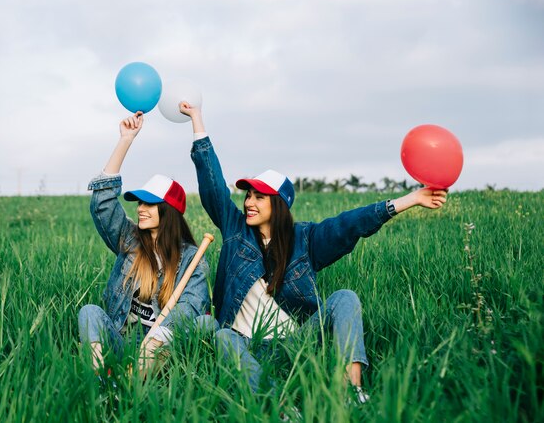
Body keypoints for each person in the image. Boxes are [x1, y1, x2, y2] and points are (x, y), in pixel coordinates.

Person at [180, 103, 447, 403]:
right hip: (247, 345)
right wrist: (197, 121)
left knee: (344, 297)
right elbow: (213, 186)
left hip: (296, 344)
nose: (249, 203)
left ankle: (351, 391)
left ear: (279, 204)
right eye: (248, 195)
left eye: (260, 196)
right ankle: (274, 404)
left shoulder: (305, 239)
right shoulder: (235, 231)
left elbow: (350, 225)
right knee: (222, 336)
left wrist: (409, 200)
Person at [78, 111, 210, 381]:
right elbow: (102, 203)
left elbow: (191, 308)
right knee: (90, 313)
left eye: (149, 204)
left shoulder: (191, 259)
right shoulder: (130, 240)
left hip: (164, 345)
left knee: (205, 323)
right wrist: (125, 140)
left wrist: (153, 343)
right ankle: (101, 379)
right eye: (140, 203)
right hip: (124, 341)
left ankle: (136, 379)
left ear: (168, 211)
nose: (140, 209)